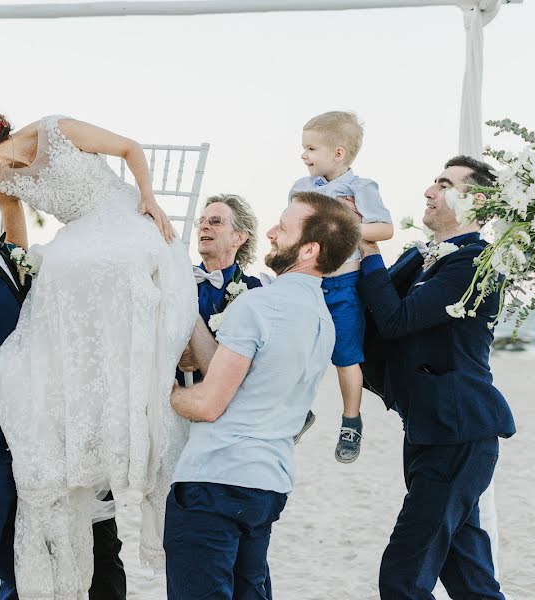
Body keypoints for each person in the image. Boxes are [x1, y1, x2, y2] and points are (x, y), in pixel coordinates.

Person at [0, 97, 196, 598]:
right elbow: (17, 252)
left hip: (116, 218)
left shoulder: (55, 130)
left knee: (136, 289)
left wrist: (149, 198)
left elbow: (129, 148)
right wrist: (28, 280)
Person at [164, 191, 361, 599]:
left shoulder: (258, 304)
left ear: (308, 249)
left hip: (214, 483)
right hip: (266, 486)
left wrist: (160, 393)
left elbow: (206, 404)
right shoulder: (322, 319)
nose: (270, 233)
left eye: (283, 228)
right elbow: (241, 377)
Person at [357, 155, 516, 600]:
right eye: (433, 182)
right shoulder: (418, 258)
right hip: (427, 429)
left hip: (459, 432)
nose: (429, 191)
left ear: (477, 202)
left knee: (403, 576)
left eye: (444, 184)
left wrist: (368, 248)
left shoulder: (474, 267)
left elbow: (394, 318)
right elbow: (370, 306)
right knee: (469, 578)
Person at [289, 111, 394, 463]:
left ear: (338, 153)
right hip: (309, 282)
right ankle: (300, 410)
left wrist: (343, 226)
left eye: (311, 148)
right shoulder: (301, 189)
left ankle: (351, 420)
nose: (304, 156)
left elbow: (384, 229)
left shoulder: (360, 188)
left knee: (346, 356)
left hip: (346, 283)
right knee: (303, 351)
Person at [178, 194, 262, 384]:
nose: (204, 227)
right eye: (201, 222)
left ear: (239, 237)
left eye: (216, 222)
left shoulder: (254, 291)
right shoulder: (177, 281)